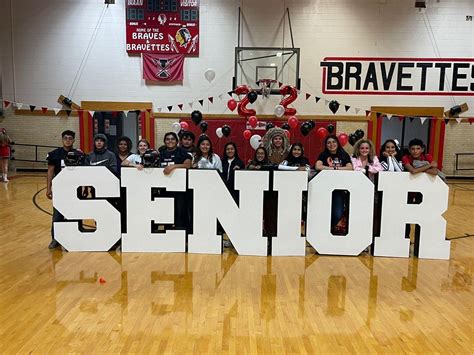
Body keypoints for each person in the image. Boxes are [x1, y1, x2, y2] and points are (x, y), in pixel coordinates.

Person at [46, 130, 83, 249]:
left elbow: (84, 172)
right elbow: (50, 171)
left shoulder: (79, 154)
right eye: (65, 138)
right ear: (62, 139)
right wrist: (48, 188)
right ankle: (55, 239)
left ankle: (74, 237)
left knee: (75, 213)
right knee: (57, 215)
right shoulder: (55, 154)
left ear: (73, 140)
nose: (68, 140)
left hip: (75, 188)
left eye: (70, 138)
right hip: (60, 188)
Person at [316, 135, 353, 235]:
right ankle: (322, 231)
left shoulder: (344, 155)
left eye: (334, 142)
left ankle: (328, 229)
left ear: (337, 143)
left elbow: (350, 168)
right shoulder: (323, 155)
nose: (331, 144)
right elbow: (318, 166)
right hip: (324, 189)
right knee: (323, 212)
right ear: (326, 145)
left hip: (338, 190)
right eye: (329, 143)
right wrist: (332, 169)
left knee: (337, 214)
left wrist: (334, 169)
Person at [159, 132, 192, 231]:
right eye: (168, 139)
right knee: (166, 212)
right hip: (164, 188)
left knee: (180, 213)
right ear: (164, 141)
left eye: (172, 139)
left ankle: (181, 235)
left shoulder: (182, 152)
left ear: (177, 141)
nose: (170, 141)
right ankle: (167, 234)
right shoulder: (161, 154)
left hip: (179, 190)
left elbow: (187, 165)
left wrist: (173, 166)